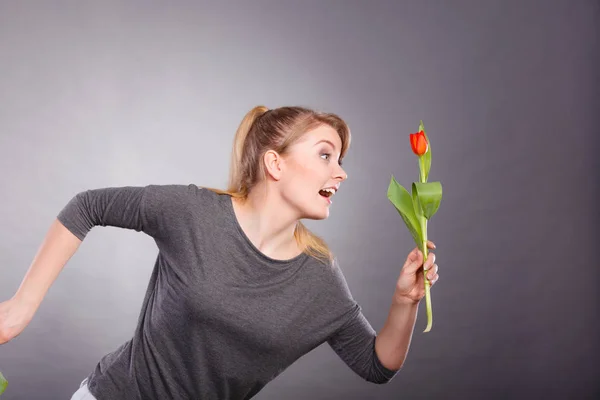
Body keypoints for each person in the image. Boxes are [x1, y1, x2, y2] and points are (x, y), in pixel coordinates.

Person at [0, 105, 439, 399]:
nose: (340, 173)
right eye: (326, 155)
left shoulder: (318, 276)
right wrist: (22, 306)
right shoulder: (192, 212)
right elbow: (87, 206)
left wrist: (404, 302)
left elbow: (376, 363)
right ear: (275, 164)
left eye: (341, 160)